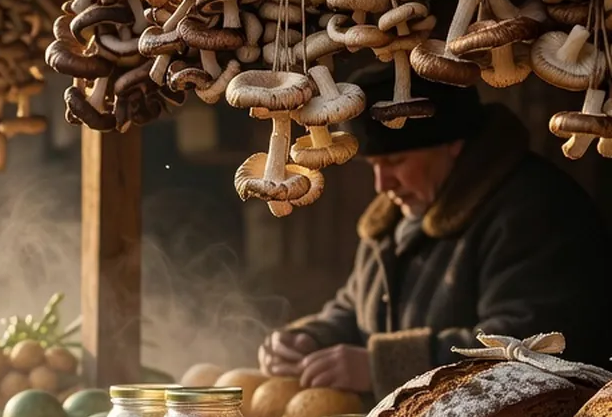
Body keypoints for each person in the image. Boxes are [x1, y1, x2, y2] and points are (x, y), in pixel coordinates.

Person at [259, 73, 612, 398]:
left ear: (452, 143)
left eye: (395, 162)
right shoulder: (393, 218)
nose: (382, 185)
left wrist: (382, 366)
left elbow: (528, 342)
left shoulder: (533, 209)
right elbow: (356, 310)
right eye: (374, 167)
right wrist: (311, 338)